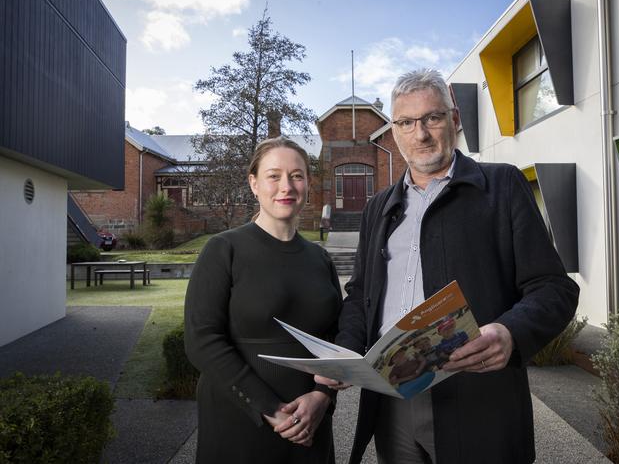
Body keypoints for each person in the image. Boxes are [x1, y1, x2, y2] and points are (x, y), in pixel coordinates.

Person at [317, 69, 579, 464]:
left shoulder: (502, 187)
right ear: (394, 131)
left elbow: (553, 288)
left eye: (432, 118)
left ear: (454, 120)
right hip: (393, 400)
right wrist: (347, 352)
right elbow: (360, 295)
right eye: (406, 122)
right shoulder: (378, 208)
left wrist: (510, 333)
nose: (419, 134)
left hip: (478, 399)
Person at [185, 137, 342, 463]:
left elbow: (335, 340)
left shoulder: (320, 259)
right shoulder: (223, 250)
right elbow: (202, 341)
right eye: (274, 176)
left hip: (310, 422)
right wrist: (270, 409)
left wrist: (322, 397)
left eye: (297, 176)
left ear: (308, 184)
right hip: (241, 421)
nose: (287, 186)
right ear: (254, 183)